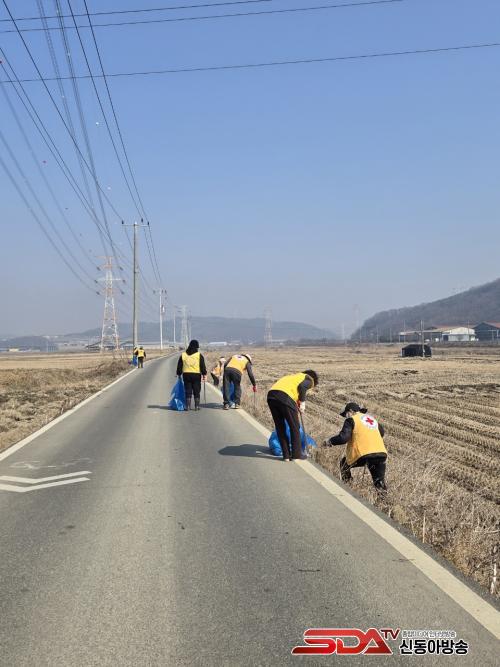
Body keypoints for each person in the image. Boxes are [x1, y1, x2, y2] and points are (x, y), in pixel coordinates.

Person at [324, 402, 387, 491]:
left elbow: (343, 438)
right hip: (381, 453)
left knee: (344, 464)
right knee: (379, 482)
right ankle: (382, 498)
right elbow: (381, 433)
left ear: (350, 411)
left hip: (363, 453)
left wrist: (329, 441)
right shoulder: (372, 420)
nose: (345, 417)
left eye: (345, 414)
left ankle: (348, 488)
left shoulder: (351, 420)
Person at [267, 370, 318, 461]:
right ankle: (296, 455)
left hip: (271, 396)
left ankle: (286, 455)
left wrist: (298, 402)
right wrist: (302, 404)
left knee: (280, 427)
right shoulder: (309, 379)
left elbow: (294, 389)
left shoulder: (292, 377)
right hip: (285, 397)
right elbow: (302, 387)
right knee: (295, 427)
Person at [176, 339, 207, 410]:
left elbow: (179, 366)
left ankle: (188, 406)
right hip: (196, 375)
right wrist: (204, 373)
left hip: (186, 375)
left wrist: (179, 373)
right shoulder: (199, 355)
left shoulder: (183, 355)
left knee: (188, 390)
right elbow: (202, 365)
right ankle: (197, 406)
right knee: (196, 390)